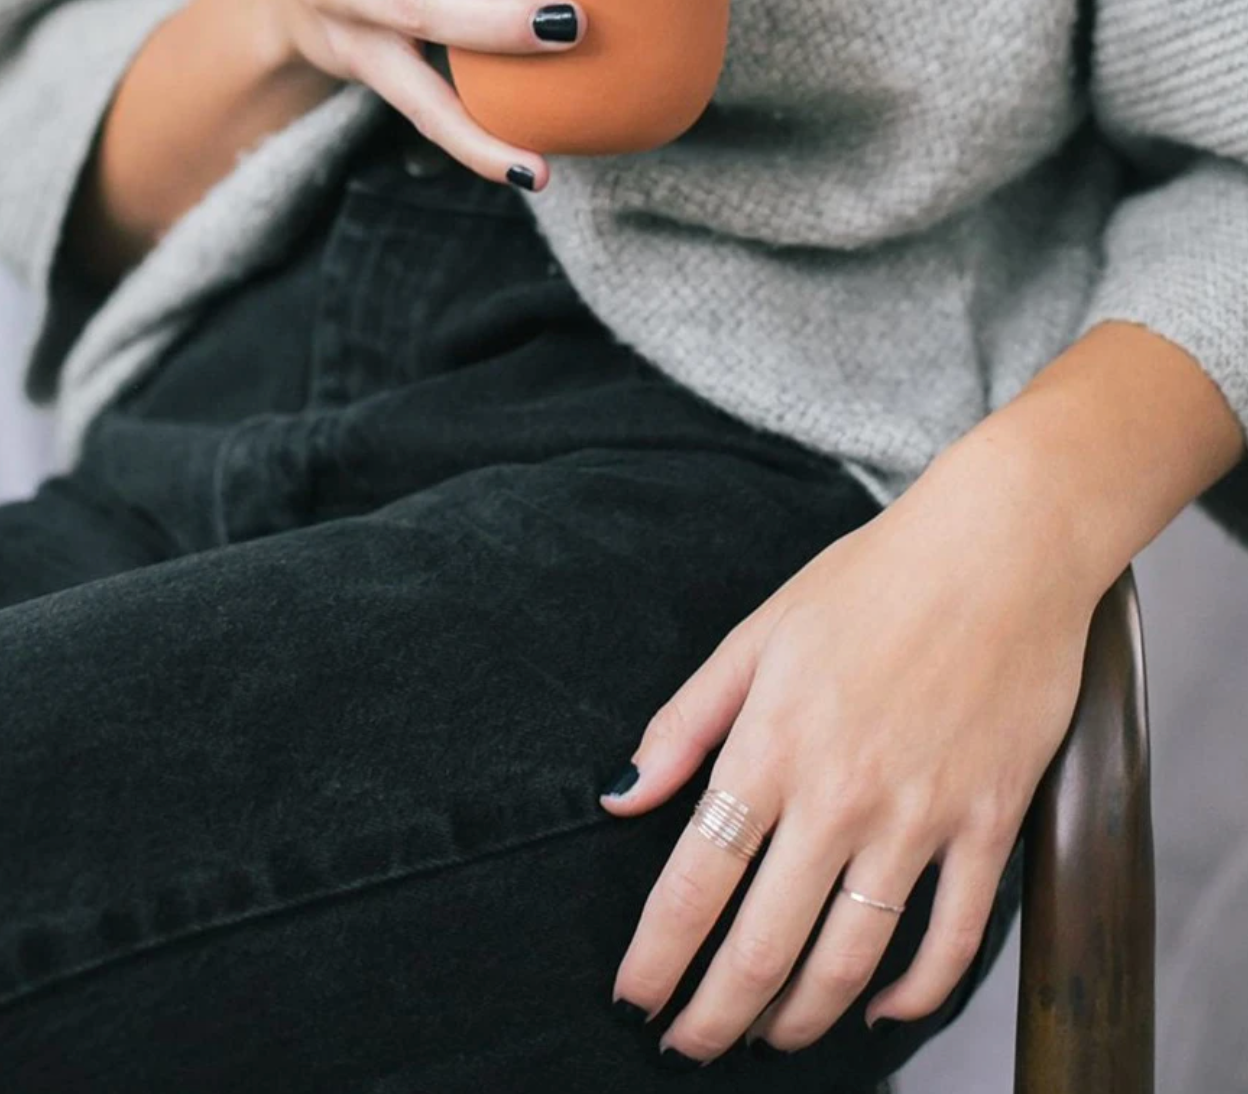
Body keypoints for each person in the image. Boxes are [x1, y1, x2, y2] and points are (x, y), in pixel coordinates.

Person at [0, 0, 1245, 1089]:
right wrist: (281, 23)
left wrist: (1014, 520)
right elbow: (43, 115)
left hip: (731, 491)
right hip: (187, 429)